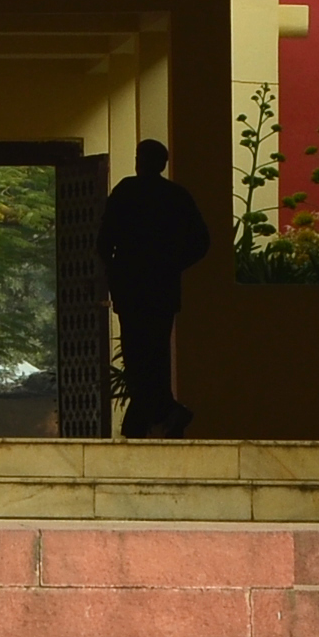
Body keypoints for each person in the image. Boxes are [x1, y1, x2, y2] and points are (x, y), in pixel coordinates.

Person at [99, 138, 213, 440]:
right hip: (160, 289)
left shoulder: (127, 192)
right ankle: (155, 414)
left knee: (137, 356)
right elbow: (201, 242)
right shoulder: (175, 196)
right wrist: (171, 264)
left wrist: (114, 272)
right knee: (155, 355)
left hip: (132, 289)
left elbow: (102, 241)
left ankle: (152, 415)